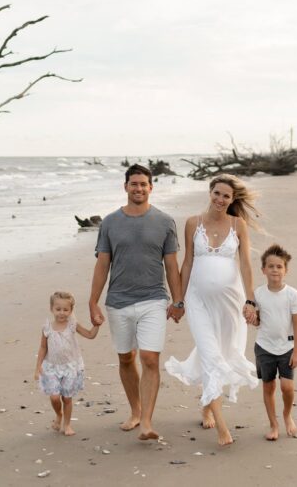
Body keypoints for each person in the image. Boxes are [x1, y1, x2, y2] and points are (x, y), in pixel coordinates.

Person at [89, 164, 184, 441]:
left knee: (149, 358)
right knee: (126, 357)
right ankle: (135, 410)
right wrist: (92, 301)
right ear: (126, 187)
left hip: (153, 298)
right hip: (118, 300)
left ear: (151, 187)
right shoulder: (109, 223)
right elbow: (102, 264)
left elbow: (171, 265)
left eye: (144, 184)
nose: (139, 188)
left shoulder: (165, 222)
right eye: (134, 184)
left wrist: (178, 301)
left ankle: (146, 422)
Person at [164, 174, 260, 446]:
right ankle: (222, 427)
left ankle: (207, 404)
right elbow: (187, 263)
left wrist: (251, 301)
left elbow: (245, 265)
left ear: (232, 200)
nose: (220, 199)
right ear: (210, 192)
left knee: (227, 352)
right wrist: (179, 301)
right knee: (209, 353)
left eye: (226, 196)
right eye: (217, 193)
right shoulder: (193, 223)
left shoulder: (238, 225)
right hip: (198, 301)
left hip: (231, 303)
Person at [253, 244, 297, 440]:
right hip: (264, 347)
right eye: (271, 266)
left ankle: (286, 414)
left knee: (287, 387)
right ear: (263, 270)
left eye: (279, 266)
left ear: (286, 270)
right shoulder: (258, 294)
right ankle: (273, 424)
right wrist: (253, 318)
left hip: (287, 348)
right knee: (268, 386)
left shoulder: (292, 294)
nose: (275, 270)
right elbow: (258, 320)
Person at [34, 290, 100, 436]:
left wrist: (97, 324)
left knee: (67, 398)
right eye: (58, 309)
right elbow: (43, 347)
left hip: (70, 367)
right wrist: (38, 366)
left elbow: (90, 335)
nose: (62, 313)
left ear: (71, 310)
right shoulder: (47, 328)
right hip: (51, 367)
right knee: (55, 397)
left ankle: (67, 424)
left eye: (65, 309)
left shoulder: (72, 325)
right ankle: (58, 414)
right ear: (51, 309)